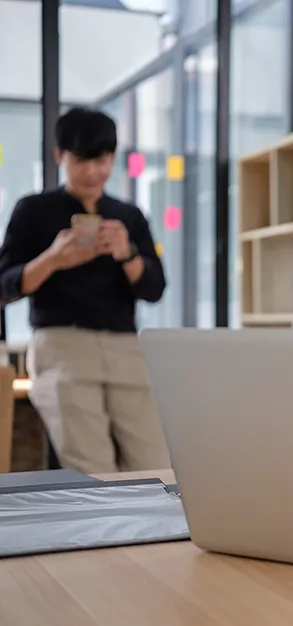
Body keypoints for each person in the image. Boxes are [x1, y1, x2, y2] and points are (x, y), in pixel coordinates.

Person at [0, 107, 170, 474]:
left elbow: (155, 288)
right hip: (62, 346)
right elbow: (5, 287)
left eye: (103, 159)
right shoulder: (33, 210)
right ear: (59, 155)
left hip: (126, 349)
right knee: (96, 473)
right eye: (82, 160)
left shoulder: (129, 216)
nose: (94, 171)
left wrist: (128, 254)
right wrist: (52, 259)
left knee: (157, 468)